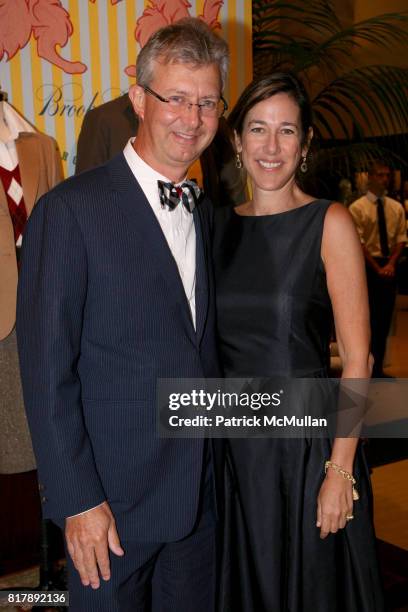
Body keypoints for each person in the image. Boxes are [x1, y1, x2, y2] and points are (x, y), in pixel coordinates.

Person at [17, 18, 227, 611]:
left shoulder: (204, 212)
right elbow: (46, 373)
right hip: (108, 511)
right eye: (176, 99)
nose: (192, 118)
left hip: (197, 501)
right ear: (138, 98)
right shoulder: (68, 212)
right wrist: (78, 501)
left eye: (207, 102)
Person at [212, 73, 384, 611]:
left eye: (287, 131)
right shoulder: (213, 227)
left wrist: (339, 471)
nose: (271, 146)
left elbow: (360, 359)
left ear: (305, 144)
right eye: (257, 129)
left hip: (308, 452)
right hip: (233, 450)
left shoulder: (328, 223)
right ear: (236, 140)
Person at [75, 94, 246, 208]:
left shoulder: (213, 122)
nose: (193, 121)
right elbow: (85, 199)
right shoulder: (104, 119)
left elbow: (232, 196)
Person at [349, 162, 407, 377]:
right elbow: (359, 242)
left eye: (387, 176)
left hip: (389, 266)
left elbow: (401, 239)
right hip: (368, 267)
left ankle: (379, 369)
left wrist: (390, 264)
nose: (384, 180)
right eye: (380, 175)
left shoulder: (396, 207)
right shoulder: (357, 208)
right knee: (368, 320)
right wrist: (377, 268)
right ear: (370, 177)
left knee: (384, 321)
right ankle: (366, 367)